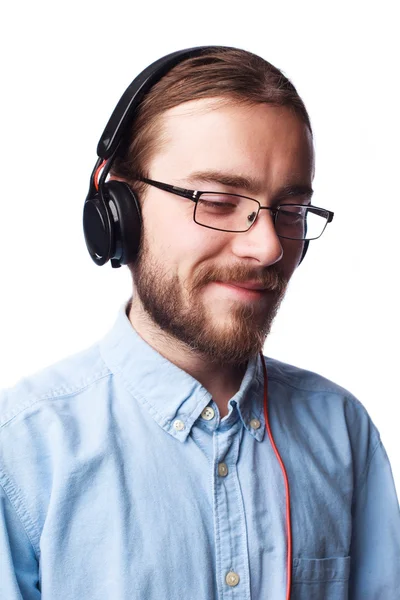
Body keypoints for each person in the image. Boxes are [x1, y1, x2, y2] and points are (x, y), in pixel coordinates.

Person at [0, 46, 399, 600]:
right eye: (216, 200)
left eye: (288, 211)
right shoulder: (20, 451)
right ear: (118, 211)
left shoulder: (343, 431)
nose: (267, 248)